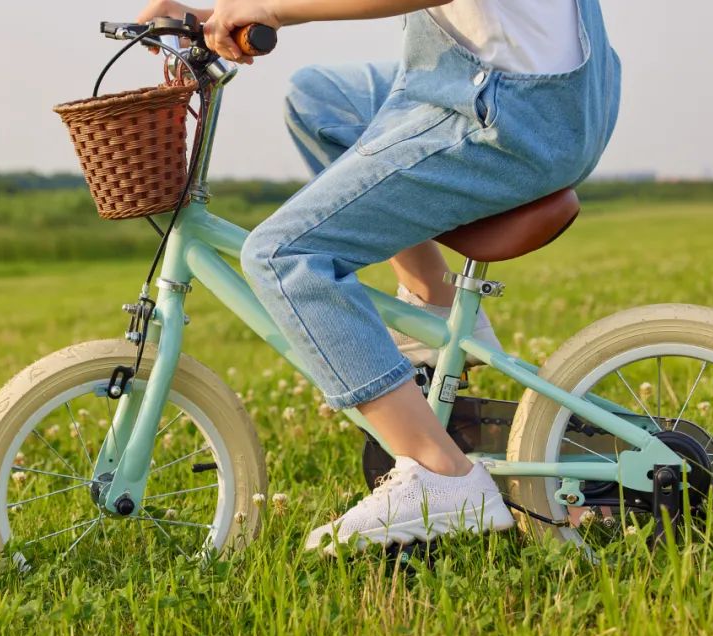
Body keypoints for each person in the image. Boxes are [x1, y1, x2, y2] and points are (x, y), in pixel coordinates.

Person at [135, 0, 621, 554]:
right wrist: (213, 13)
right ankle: (432, 312)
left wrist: (270, 9)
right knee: (317, 98)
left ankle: (443, 477)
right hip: (528, 92)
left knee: (283, 255)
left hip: (513, 119)